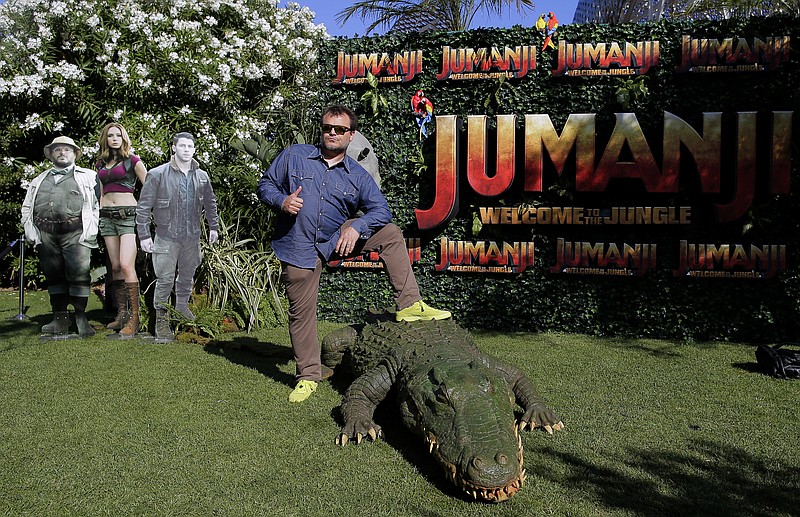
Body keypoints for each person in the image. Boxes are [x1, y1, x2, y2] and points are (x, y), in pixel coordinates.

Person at [257, 105, 451, 403]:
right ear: (321, 130)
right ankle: (308, 376)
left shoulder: (358, 176)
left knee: (390, 233)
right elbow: (265, 184)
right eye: (327, 128)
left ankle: (410, 303)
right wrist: (281, 201)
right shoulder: (294, 155)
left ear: (351, 135)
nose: (332, 134)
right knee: (301, 314)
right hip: (299, 245)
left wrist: (357, 227)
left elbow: (382, 210)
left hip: (336, 239)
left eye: (339, 130)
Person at [135, 132, 219, 341]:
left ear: (194, 150)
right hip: (166, 237)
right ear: (174, 148)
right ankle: (161, 321)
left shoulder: (202, 176)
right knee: (165, 278)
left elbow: (210, 203)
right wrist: (144, 235)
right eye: (182, 146)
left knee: (188, 274)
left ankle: (182, 307)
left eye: (190, 146)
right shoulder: (157, 174)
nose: (186, 150)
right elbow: (143, 207)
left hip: (192, 237)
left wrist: (213, 228)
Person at [21, 136, 100, 338]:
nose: (62, 152)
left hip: (76, 233)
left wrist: (92, 229)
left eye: (67, 149)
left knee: (80, 274)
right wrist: (30, 230)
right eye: (58, 150)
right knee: (53, 275)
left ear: (74, 154)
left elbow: (99, 204)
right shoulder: (39, 179)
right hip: (46, 234)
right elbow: (27, 206)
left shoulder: (89, 176)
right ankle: (60, 319)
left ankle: (81, 318)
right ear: (51, 154)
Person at [96, 123, 148, 338]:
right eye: (111, 135)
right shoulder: (101, 162)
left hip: (127, 215)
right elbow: (100, 191)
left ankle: (134, 320)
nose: (115, 138)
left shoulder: (133, 161)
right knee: (115, 266)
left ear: (124, 137)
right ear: (105, 139)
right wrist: (99, 210)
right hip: (106, 217)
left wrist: (145, 213)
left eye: (118, 135)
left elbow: (150, 187)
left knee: (127, 265)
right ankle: (122, 314)